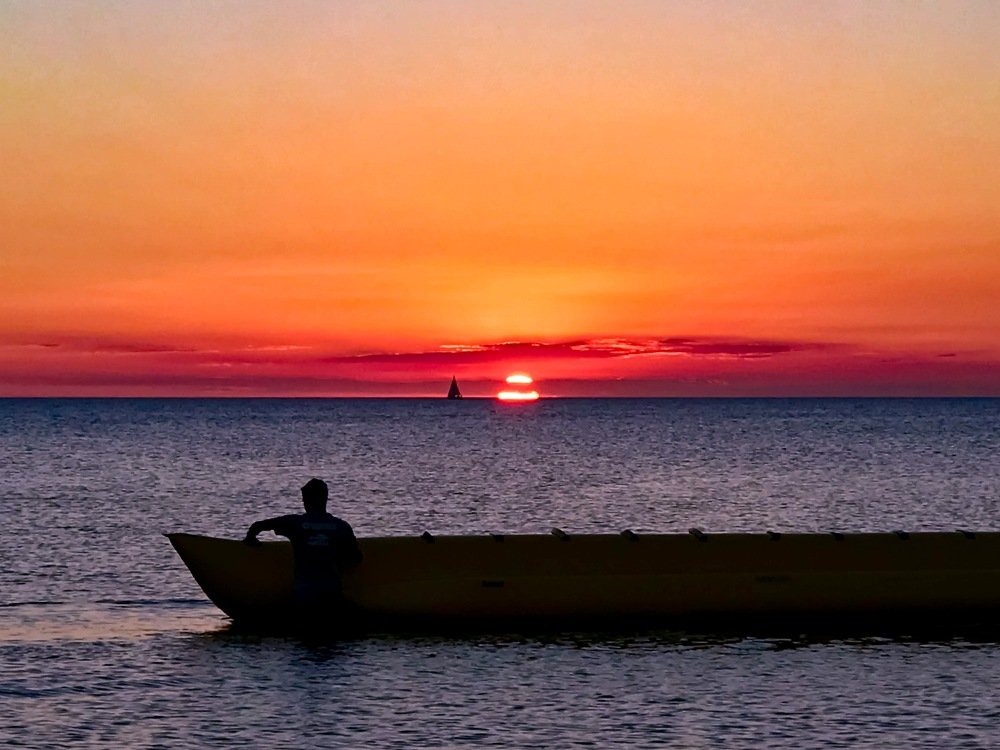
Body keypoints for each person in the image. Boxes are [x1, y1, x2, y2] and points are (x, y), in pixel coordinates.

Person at [244, 478, 362, 612]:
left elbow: (257, 526)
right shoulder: (341, 527)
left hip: (304, 596)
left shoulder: (295, 524)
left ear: (306, 500)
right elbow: (356, 558)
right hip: (331, 595)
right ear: (325, 499)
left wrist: (250, 539)